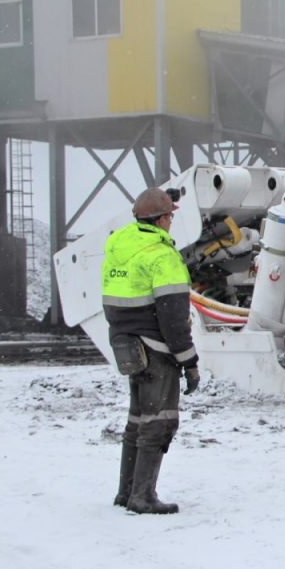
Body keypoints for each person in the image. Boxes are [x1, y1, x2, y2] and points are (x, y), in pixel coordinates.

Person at [101, 187, 200, 514]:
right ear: (160, 219)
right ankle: (143, 497)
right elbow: (173, 318)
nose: (172, 221)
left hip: (128, 346)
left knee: (137, 419)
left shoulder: (119, 244)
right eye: (170, 216)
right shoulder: (161, 255)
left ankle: (126, 491)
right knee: (159, 421)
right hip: (157, 350)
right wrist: (189, 361)